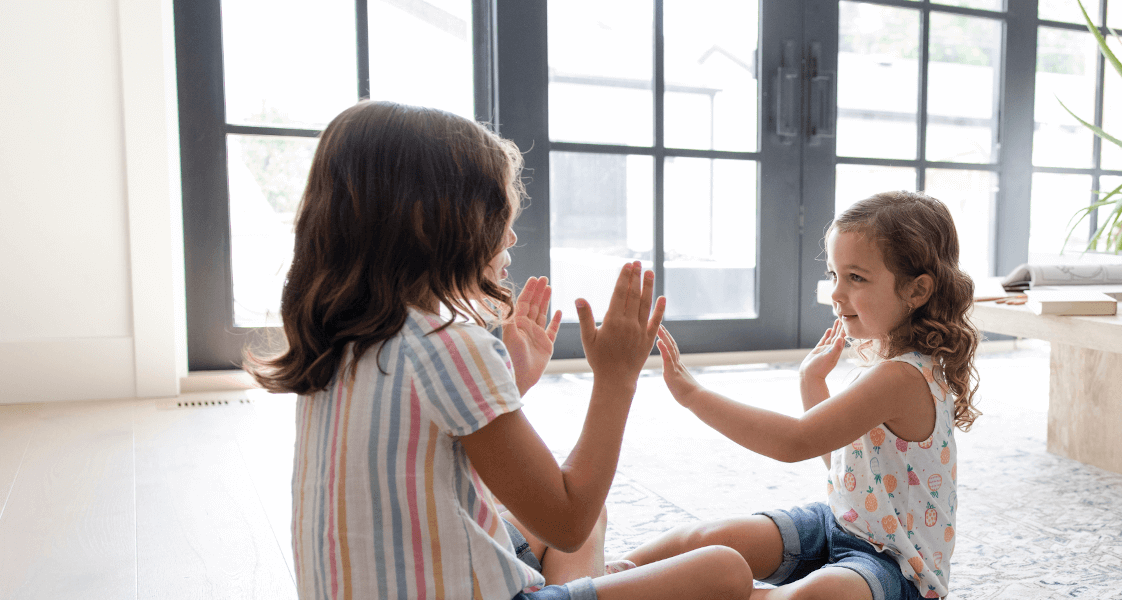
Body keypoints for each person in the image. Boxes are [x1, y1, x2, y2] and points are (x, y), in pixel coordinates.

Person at [250, 100, 751, 600]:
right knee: (723, 570)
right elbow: (567, 520)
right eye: (497, 215)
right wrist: (616, 377)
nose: (510, 233)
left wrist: (509, 380)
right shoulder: (446, 345)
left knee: (580, 521)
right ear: (431, 222)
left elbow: (430, 483)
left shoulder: (339, 341)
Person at [620, 191, 981, 600]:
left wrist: (691, 393)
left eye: (856, 278)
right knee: (707, 537)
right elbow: (846, 466)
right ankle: (604, 578)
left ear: (917, 291)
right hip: (839, 523)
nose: (836, 293)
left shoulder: (901, 377)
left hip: (896, 566)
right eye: (834, 275)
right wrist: (812, 383)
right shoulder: (890, 365)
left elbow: (794, 441)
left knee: (818, 592)